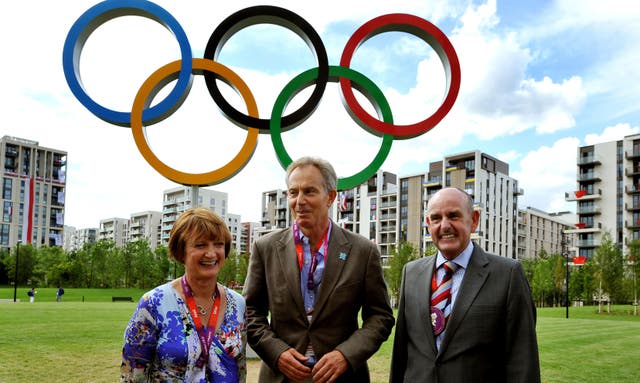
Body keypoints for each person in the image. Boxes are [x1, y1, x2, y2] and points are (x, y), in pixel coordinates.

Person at [244, 156, 395, 383]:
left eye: (309, 191)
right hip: (280, 377)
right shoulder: (265, 248)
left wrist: (345, 355)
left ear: (331, 197)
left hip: (343, 377)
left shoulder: (362, 251)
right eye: (293, 192)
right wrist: (277, 353)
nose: (299, 201)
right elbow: (250, 312)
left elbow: (380, 317)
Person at [389, 187, 540, 383]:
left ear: (474, 220)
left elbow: (522, 360)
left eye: (453, 216)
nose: (444, 225)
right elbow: (401, 352)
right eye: (436, 218)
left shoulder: (508, 274)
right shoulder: (411, 273)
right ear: (428, 224)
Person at [121, 207, 246, 382]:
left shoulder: (238, 303)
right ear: (181, 251)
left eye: (218, 244)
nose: (211, 253)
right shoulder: (154, 303)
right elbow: (133, 375)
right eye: (200, 244)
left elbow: (240, 369)